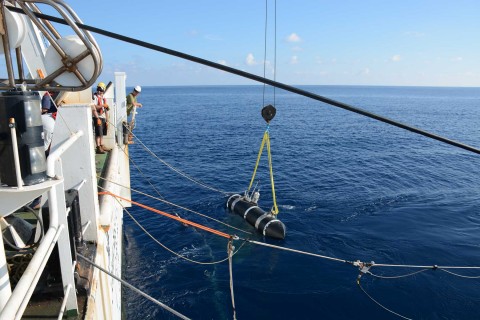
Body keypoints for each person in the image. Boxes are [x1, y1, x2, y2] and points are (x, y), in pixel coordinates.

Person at [92, 82, 111, 154]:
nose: (99, 91)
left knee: (102, 133)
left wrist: (107, 120)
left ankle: (102, 145)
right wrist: (97, 118)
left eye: (100, 90)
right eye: (98, 89)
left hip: (103, 118)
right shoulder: (95, 97)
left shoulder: (103, 99)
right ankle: (98, 147)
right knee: (98, 133)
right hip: (97, 117)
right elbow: (94, 107)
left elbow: (106, 110)